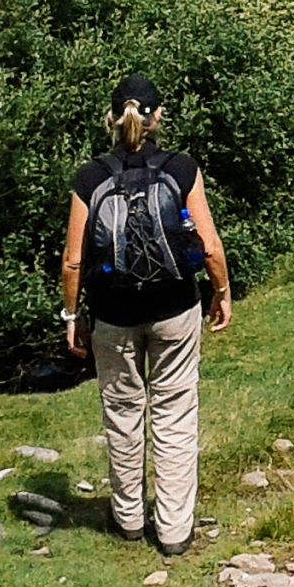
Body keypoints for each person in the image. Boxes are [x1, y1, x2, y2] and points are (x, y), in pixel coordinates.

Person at [60, 75, 232, 558]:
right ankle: (175, 530)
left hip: (112, 313)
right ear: (159, 117)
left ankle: (129, 518)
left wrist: (71, 314)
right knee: (174, 412)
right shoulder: (181, 169)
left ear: (111, 119)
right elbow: (209, 244)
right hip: (176, 307)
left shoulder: (89, 177)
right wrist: (221, 291)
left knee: (122, 410)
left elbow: (73, 260)